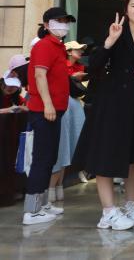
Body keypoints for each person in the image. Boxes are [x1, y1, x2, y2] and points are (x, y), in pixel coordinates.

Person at [82, 0, 134, 230]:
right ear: (126, 10)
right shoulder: (117, 32)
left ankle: (131, 204)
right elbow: (94, 66)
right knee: (107, 154)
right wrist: (109, 42)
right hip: (112, 103)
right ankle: (108, 212)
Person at [22, 7, 75, 225]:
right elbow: (39, 75)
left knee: (50, 158)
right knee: (42, 158)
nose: (63, 24)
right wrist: (48, 104)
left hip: (54, 110)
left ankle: (42, 204)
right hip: (44, 110)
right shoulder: (44, 45)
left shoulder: (58, 46)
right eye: (58, 20)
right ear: (46, 25)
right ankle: (32, 211)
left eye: (65, 20)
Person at [48, 41, 88, 203]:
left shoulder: (79, 67)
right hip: (61, 109)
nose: (81, 52)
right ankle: (52, 188)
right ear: (68, 51)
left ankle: (57, 187)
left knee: (67, 148)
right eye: (77, 49)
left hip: (72, 108)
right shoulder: (58, 66)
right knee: (61, 148)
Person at [0, 56, 29, 207]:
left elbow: (28, 107)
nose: (10, 88)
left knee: (9, 165)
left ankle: (9, 194)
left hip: (11, 139)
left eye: (14, 86)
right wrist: (7, 110)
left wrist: (22, 108)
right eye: (8, 85)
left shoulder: (17, 98)